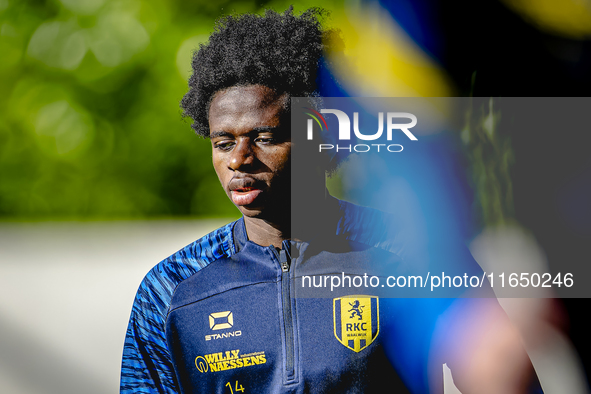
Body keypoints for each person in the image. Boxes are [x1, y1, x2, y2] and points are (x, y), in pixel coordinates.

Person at [121, 7, 541, 394]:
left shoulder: (410, 251)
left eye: (264, 138)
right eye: (223, 142)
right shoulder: (171, 290)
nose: (239, 160)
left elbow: (504, 375)